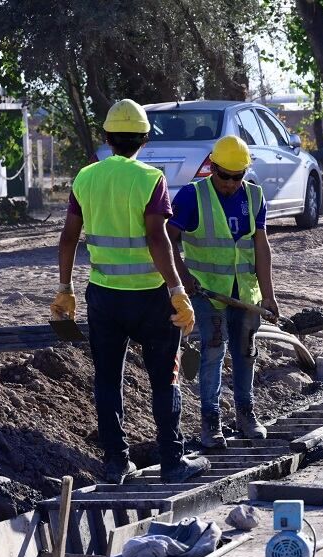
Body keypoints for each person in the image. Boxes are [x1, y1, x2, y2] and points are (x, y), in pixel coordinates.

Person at [52, 99, 210, 485]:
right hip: (151, 298)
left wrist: (65, 288)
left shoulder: (85, 178)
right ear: (144, 139)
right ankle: (173, 463)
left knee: (107, 380)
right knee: (165, 378)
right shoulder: (150, 178)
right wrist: (177, 289)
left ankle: (116, 462)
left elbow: (69, 237)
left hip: (103, 296)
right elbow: (158, 238)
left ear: (106, 137)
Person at [167, 135, 278, 448]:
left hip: (244, 293)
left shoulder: (254, 197)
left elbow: (261, 245)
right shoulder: (192, 196)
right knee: (213, 351)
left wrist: (268, 294)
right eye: (224, 175)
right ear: (212, 167)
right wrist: (183, 277)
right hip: (206, 292)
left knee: (245, 352)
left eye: (237, 176)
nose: (231, 183)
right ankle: (210, 422)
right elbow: (167, 239)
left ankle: (246, 414)